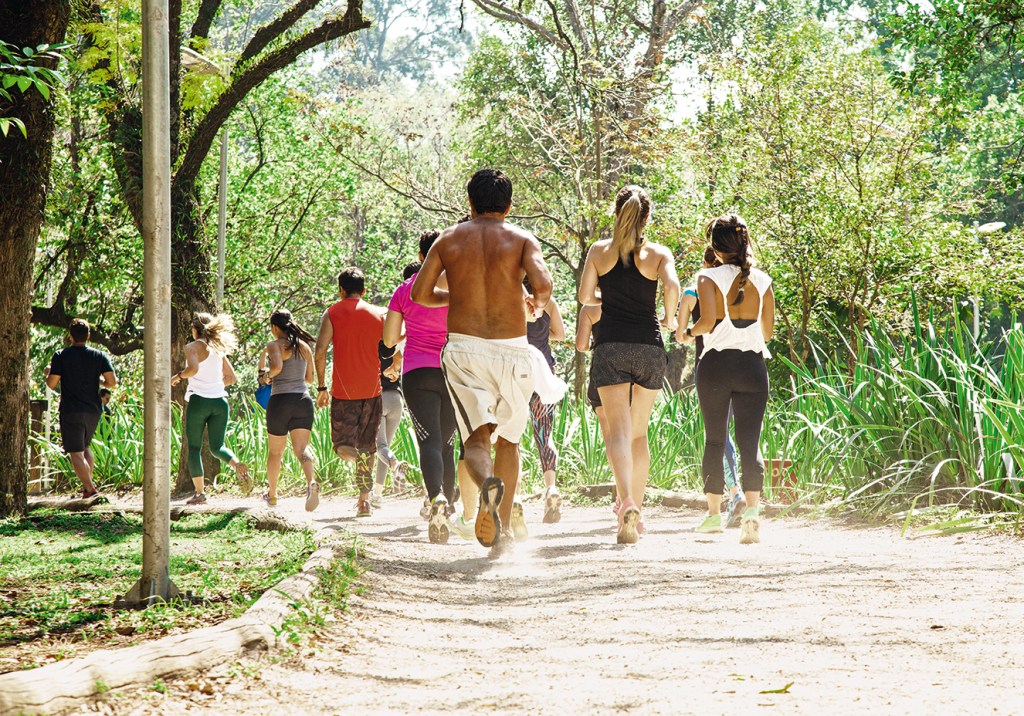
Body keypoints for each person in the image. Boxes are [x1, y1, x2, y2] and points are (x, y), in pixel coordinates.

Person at [411, 169, 553, 557]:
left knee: (476, 439)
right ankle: (502, 532)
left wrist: (456, 297)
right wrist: (534, 305)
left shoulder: (448, 239)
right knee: (510, 440)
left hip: (465, 350)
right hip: (514, 350)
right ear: (509, 205)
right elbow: (543, 286)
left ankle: (488, 483)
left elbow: (421, 294)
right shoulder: (522, 239)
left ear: (469, 203)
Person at [578, 185, 679, 544]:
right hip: (649, 348)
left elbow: (584, 296)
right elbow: (673, 286)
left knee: (618, 433)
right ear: (647, 218)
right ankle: (637, 510)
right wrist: (669, 318)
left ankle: (626, 503)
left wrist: (607, 294)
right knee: (639, 433)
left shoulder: (599, 252)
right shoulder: (658, 253)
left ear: (616, 213)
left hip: (611, 349)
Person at [684, 214, 774, 544]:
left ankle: (712, 515)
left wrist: (686, 331)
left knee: (715, 439)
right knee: (751, 441)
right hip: (753, 366)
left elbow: (706, 322)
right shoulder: (763, 280)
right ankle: (752, 510)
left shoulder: (708, 278)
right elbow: (767, 331)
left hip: (716, 367)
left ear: (715, 246)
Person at [384, 232, 459, 544]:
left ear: (420, 256)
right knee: (447, 443)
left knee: (428, 442)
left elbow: (389, 340)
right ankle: (450, 505)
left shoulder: (405, 290)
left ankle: (436, 498)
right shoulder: (459, 287)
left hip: (417, 372)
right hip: (455, 370)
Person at [678, 247, 745, 527]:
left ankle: (734, 492)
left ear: (706, 264)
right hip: (741, 362)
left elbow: (681, 335)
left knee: (716, 435)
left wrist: (686, 333)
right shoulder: (736, 291)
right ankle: (736, 496)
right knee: (732, 433)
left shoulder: (693, 292)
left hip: (709, 368)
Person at [314, 267, 386, 518]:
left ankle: (362, 464)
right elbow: (392, 346)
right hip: (373, 390)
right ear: (364, 290)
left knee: (342, 446)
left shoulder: (332, 312)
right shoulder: (379, 314)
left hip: (344, 392)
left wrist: (322, 386)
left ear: (341, 290)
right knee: (367, 446)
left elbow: (320, 350)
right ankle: (363, 501)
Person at [171, 312, 251, 505]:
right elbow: (231, 378)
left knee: (195, 448)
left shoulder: (191, 347)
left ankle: (200, 494)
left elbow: (193, 370)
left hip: (199, 402)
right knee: (217, 447)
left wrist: (178, 376)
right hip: (220, 403)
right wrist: (214, 386)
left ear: (195, 328)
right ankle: (236, 464)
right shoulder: (218, 348)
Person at [45, 318, 118, 499]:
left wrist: (50, 372)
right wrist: (97, 380)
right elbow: (112, 383)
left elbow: (52, 384)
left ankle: (90, 487)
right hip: (93, 410)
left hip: (71, 410)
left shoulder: (61, 355)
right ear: (89, 336)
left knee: (75, 452)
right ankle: (87, 489)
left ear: (70, 336)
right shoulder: (99, 356)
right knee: (85, 448)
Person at [257, 309, 319, 512]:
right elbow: (309, 379)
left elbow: (276, 367)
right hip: (303, 400)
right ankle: (311, 483)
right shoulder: (304, 347)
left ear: (275, 327)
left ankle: (272, 495)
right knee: (301, 450)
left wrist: (267, 376)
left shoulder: (274, 345)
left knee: (275, 452)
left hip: (280, 401)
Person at [371, 262, 418, 510]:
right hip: (397, 398)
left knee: (380, 448)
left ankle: (394, 464)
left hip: (377, 397)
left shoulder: (376, 343)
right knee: (384, 445)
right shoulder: (400, 340)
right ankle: (377, 495)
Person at [524, 276, 566, 524]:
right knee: (544, 433)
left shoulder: (513, 299)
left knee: (511, 436)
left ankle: (514, 497)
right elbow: (559, 334)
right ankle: (551, 488)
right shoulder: (548, 302)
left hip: (516, 369)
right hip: (544, 372)